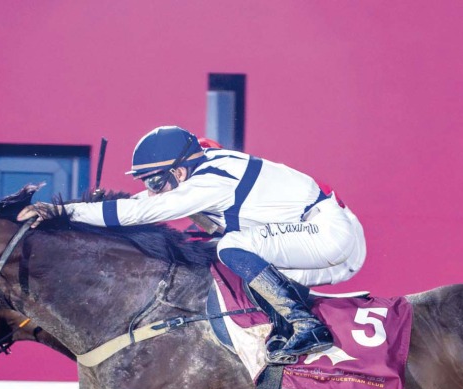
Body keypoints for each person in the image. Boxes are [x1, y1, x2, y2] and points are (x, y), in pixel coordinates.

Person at [18, 126, 366, 363]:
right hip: (321, 236)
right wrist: (92, 213)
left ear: (180, 171)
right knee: (220, 252)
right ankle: (283, 323)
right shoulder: (204, 170)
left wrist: (63, 211)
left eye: (155, 181)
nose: (151, 189)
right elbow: (145, 203)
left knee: (231, 247)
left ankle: (306, 325)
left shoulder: (210, 182)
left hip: (329, 238)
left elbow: (143, 210)